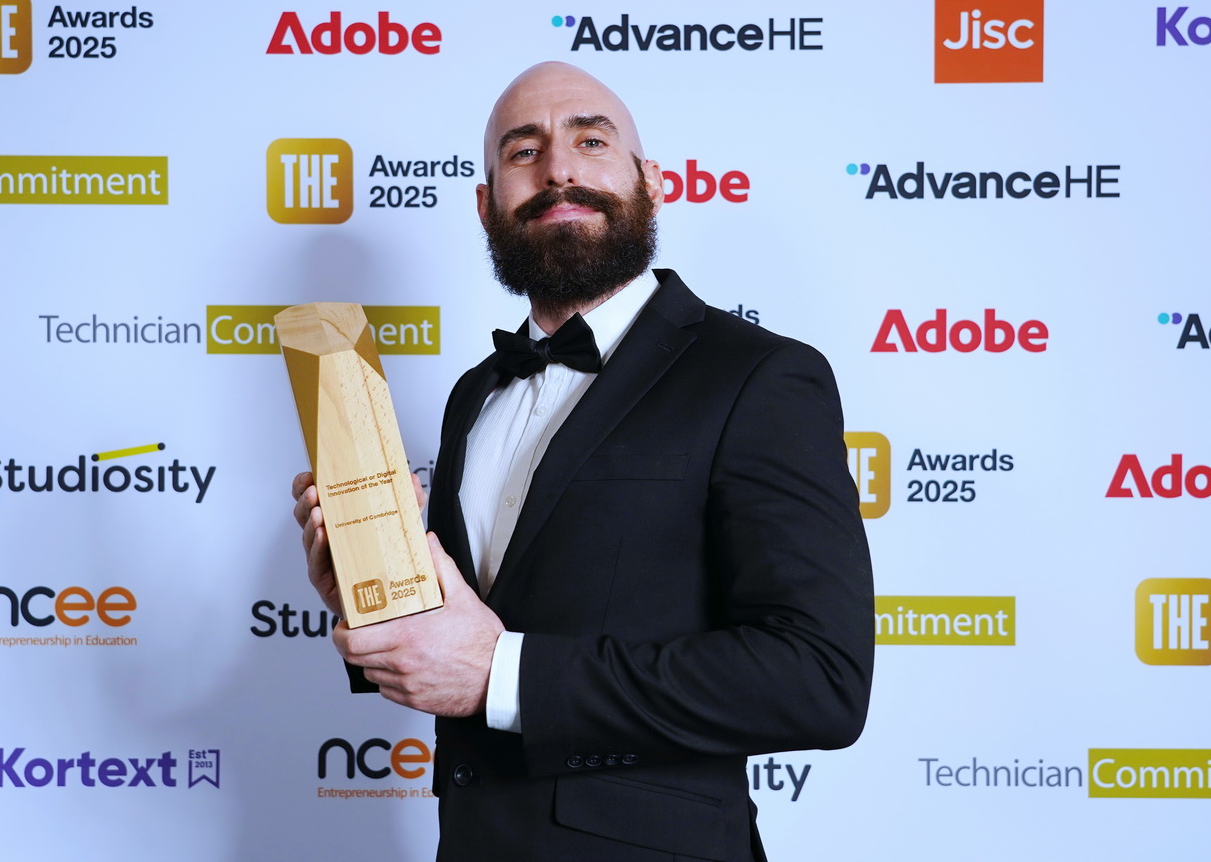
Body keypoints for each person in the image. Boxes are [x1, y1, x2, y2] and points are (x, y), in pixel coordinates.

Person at [291, 61, 873, 862]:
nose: (559, 168)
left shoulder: (758, 377)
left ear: (651, 180)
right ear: (486, 202)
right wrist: (375, 599)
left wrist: (504, 673)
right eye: (522, 152)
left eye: (591, 141)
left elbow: (817, 679)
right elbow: (467, 634)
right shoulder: (474, 397)